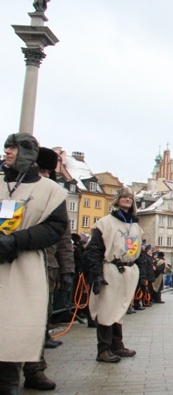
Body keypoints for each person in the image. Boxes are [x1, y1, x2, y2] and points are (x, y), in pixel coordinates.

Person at [0, 133, 68, 395]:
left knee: (20, 321)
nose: (7, 152)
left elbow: (56, 227)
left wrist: (17, 240)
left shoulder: (50, 190)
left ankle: (13, 379)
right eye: (6, 147)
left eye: (13, 148)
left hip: (25, 265)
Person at [84, 187, 143, 363]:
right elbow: (93, 251)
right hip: (110, 269)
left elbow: (137, 252)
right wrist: (96, 274)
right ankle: (103, 348)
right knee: (107, 309)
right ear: (116, 200)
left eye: (129, 197)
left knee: (120, 309)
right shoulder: (105, 223)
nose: (127, 199)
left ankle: (117, 345)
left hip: (129, 270)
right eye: (123, 197)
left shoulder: (135, 226)